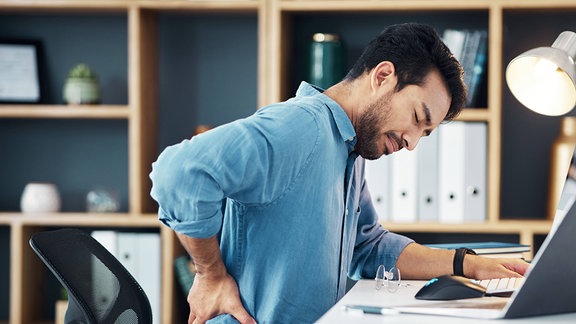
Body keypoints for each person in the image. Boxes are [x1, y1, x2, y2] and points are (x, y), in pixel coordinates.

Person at [150, 23, 529, 324]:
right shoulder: (301, 128)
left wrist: (469, 264)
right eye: (417, 119)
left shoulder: (347, 147)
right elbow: (178, 171)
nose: (412, 143)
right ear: (382, 76)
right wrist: (210, 274)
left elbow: (368, 247)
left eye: (425, 134)